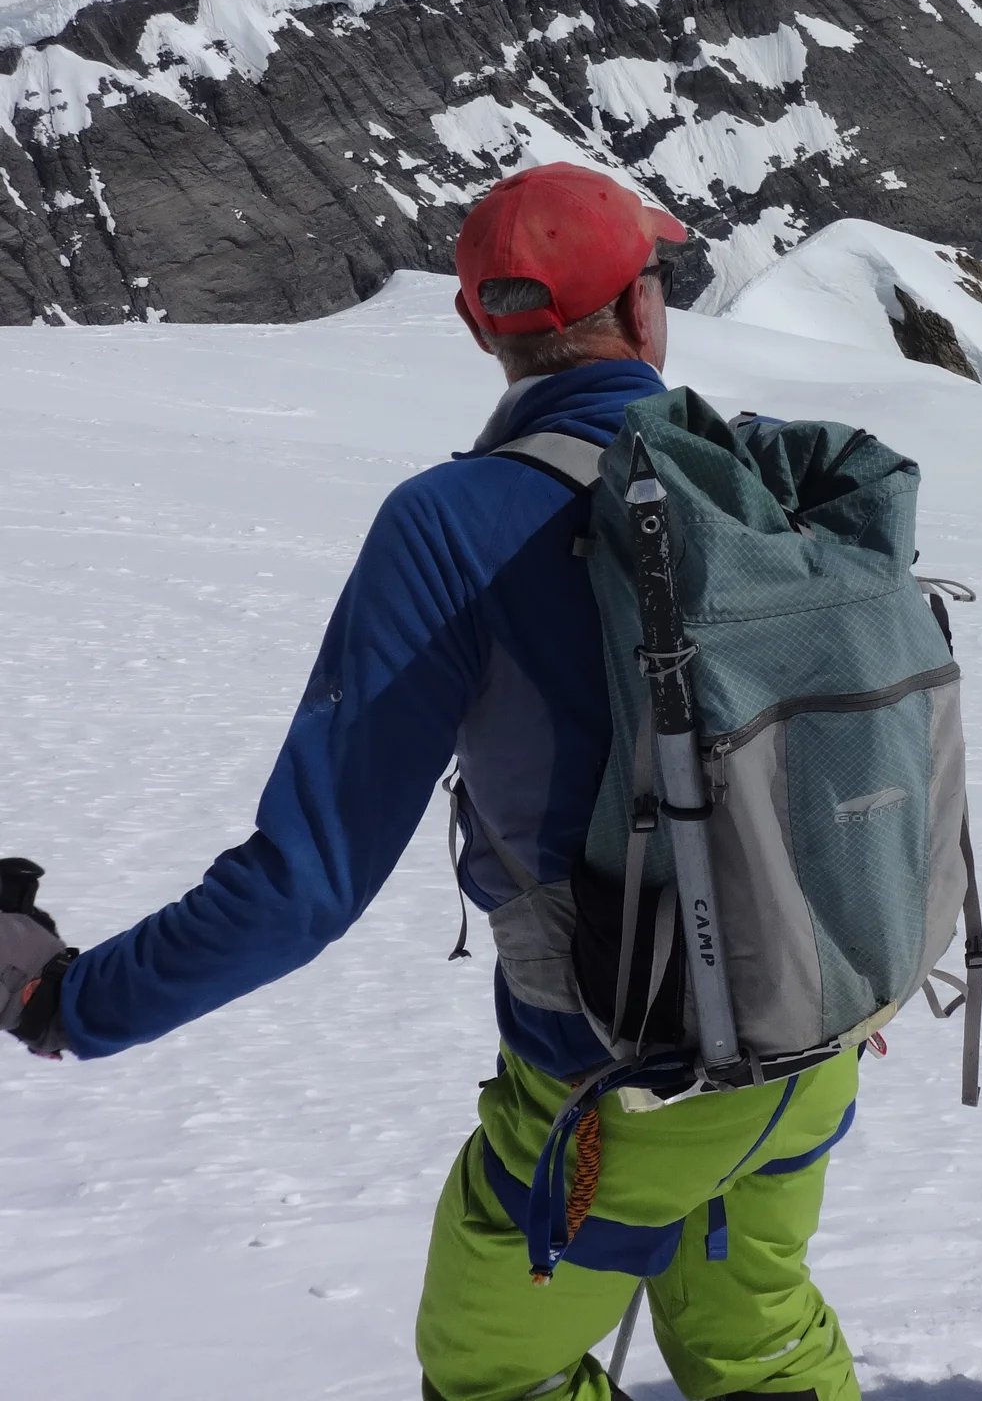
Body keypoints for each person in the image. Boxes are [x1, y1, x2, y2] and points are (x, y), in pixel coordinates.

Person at [0, 162, 863, 1401]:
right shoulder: (741, 479)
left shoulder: (451, 523)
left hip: (613, 1084)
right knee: (752, 1332)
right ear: (643, 307)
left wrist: (67, 1000)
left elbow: (307, 883)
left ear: (477, 326)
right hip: (813, 1034)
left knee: (493, 1372)